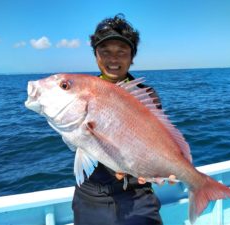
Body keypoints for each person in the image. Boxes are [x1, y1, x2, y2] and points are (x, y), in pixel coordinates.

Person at [72, 14, 166, 225]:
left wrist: (160, 167)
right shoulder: (80, 93)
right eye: (105, 52)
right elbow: (75, 139)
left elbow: (158, 140)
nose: (113, 59)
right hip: (90, 194)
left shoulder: (146, 96)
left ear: (132, 57)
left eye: (121, 52)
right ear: (95, 55)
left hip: (137, 192)